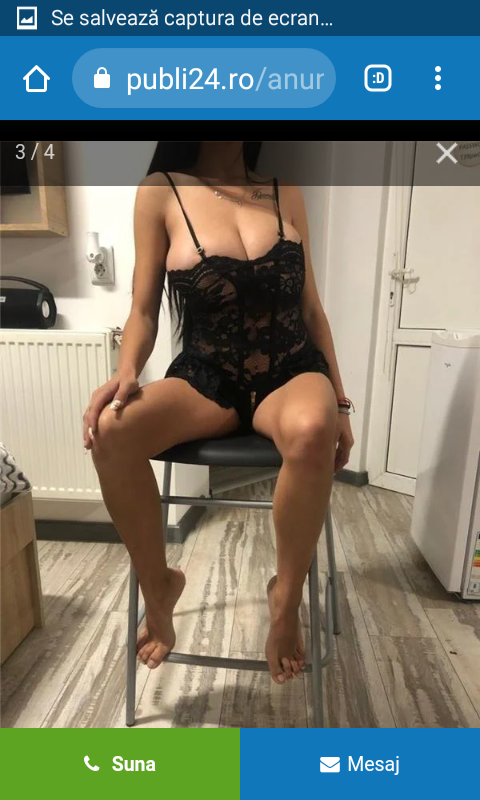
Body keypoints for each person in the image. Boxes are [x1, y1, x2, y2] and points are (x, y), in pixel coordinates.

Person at [83, 141, 354, 685]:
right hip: (207, 377)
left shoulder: (285, 192)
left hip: (291, 371)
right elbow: (143, 309)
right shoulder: (160, 191)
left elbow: (311, 309)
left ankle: (285, 598)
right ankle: (159, 585)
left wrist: (341, 404)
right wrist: (127, 370)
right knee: (111, 428)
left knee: (313, 428)